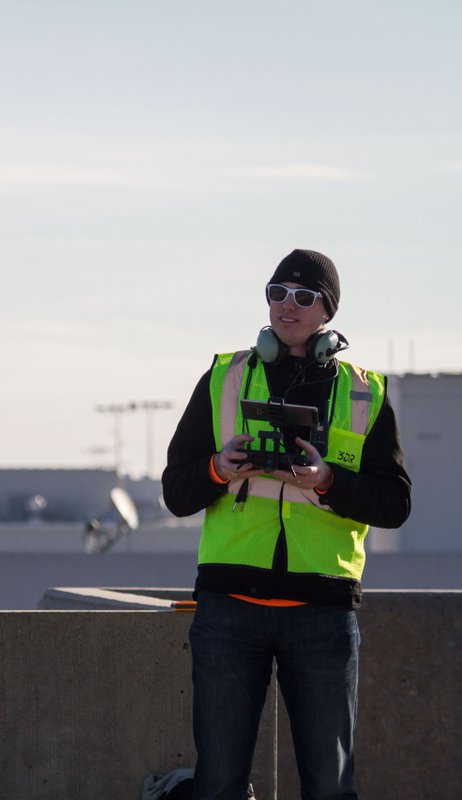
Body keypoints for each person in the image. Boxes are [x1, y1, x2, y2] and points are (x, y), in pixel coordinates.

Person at [161, 250, 411, 800]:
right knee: (218, 783)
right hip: (229, 607)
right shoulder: (224, 378)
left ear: (328, 311)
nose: (286, 306)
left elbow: (395, 504)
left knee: (330, 786)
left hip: (322, 609)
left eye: (303, 296)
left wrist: (328, 481)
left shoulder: (365, 392)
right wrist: (218, 468)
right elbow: (175, 492)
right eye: (277, 293)